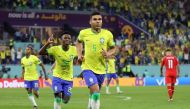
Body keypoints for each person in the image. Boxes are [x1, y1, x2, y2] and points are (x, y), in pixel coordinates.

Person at [76, 11, 116, 109]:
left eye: (99, 19)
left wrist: (108, 53)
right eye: (95, 19)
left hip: (101, 68)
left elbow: (114, 48)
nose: (98, 21)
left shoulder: (107, 34)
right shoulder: (84, 33)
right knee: (96, 91)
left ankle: (89, 106)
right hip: (87, 67)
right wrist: (79, 55)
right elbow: (78, 42)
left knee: (94, 92)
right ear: (90, 21)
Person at [39, 32, 77, 109]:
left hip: (68, 78)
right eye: (65, 38)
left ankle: (62, 92)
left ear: (71, 41)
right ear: (60, 40)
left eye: (69, 38)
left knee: (66, 100)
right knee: (57, 97)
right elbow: (40, 52)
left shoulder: (74, 49)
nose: (67, 39)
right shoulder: (55, 49)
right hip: (57, 77)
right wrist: (47, 43)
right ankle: (58, 93)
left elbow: (78, 58)